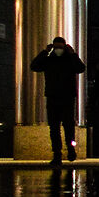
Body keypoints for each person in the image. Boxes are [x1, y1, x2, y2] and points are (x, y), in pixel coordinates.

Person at [29, 35, 86, 165]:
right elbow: (34, 66)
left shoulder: (69, 60)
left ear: (64, 47)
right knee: (54, 128)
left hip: (66, 97)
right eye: (56, 47)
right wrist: (44, 52)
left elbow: (81, 68)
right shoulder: (49, 59)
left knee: (68, 126)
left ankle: (70, 149)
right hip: (54, 97)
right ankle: (57, 154)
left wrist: (73, 55)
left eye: (60, 47)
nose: (58, 50)